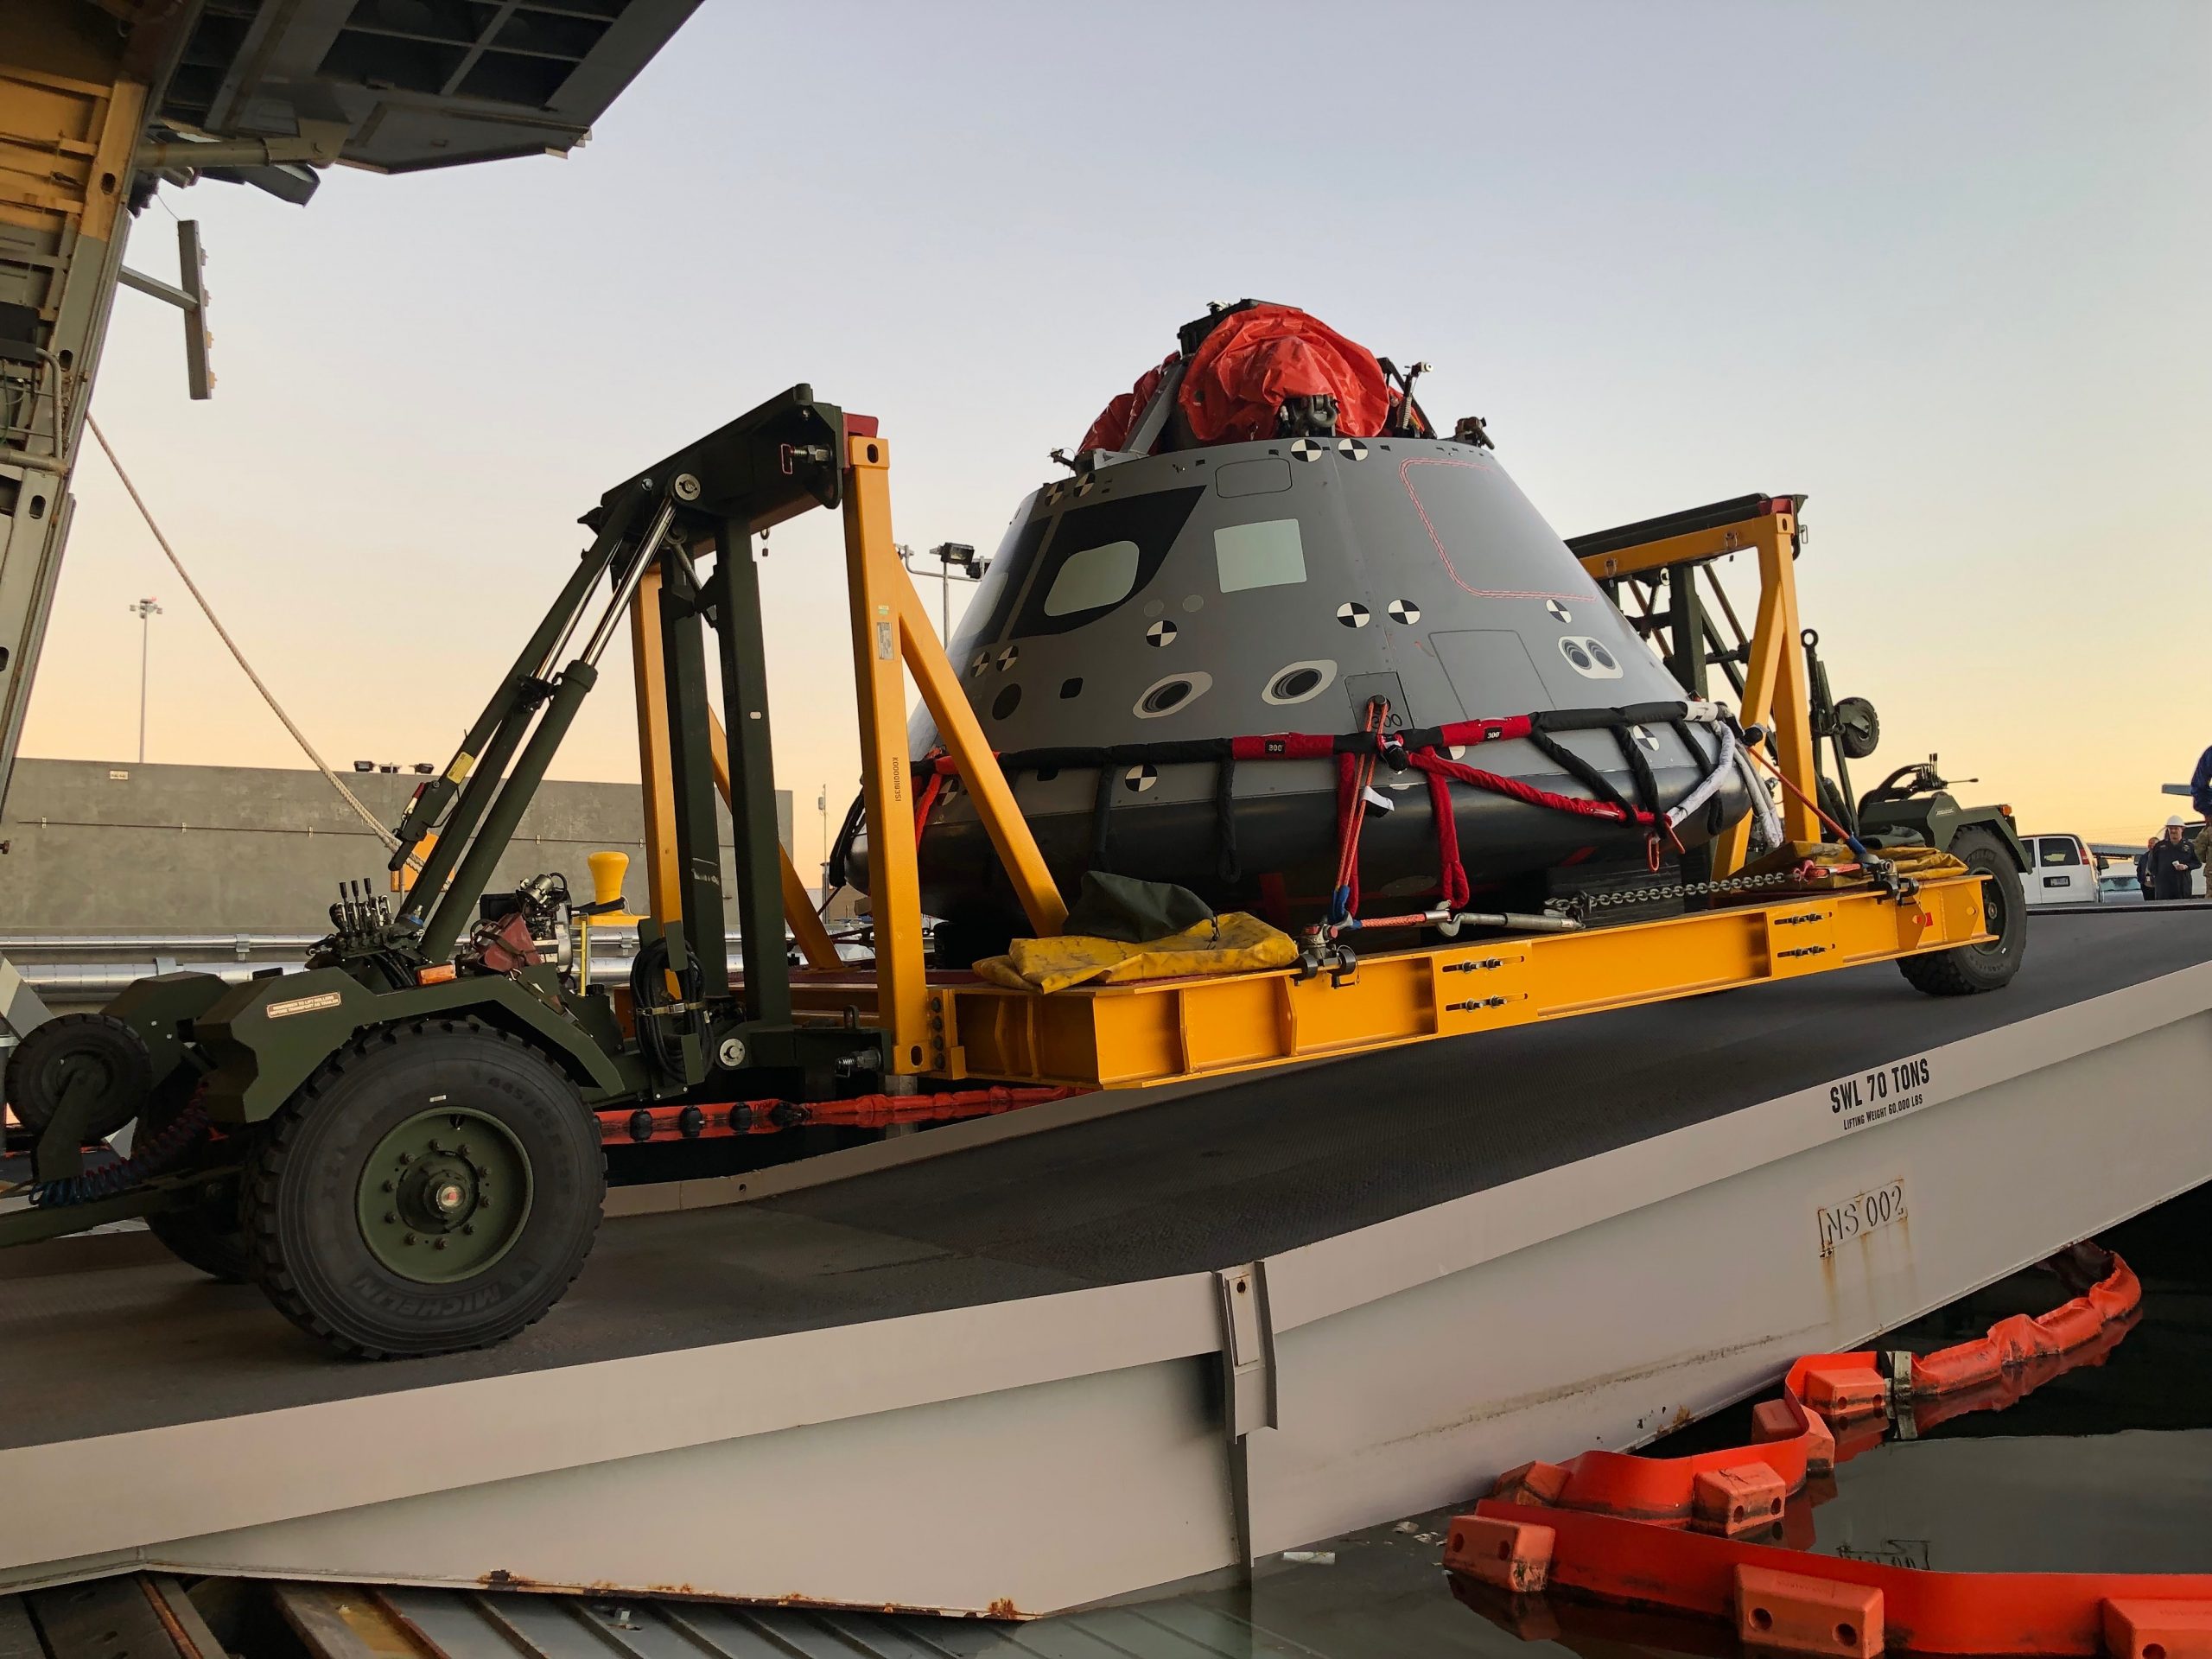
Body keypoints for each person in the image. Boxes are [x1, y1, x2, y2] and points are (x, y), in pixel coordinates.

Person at [2150, 816, 2202, 902]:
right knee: (2164, 911)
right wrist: (2159, 879)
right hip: (2164, 888)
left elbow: (2197, 863)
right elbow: (2152, 866)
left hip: (2182, 886)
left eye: (2176, 828)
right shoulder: (2159, 846)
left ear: (2182, 829)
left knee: (2182, 910)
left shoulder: (2189, 846)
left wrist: (2186, 866)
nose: (2173, 831)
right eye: (2171, 828)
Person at [2139, 836, 2161, 900]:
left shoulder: (2162, 856)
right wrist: (2141, 880)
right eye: (2149, 843)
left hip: (2158, 885)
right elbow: (2139, 869)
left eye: (2152, 843)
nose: (2150, 845)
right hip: (2146, 885)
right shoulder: (2144, 856)